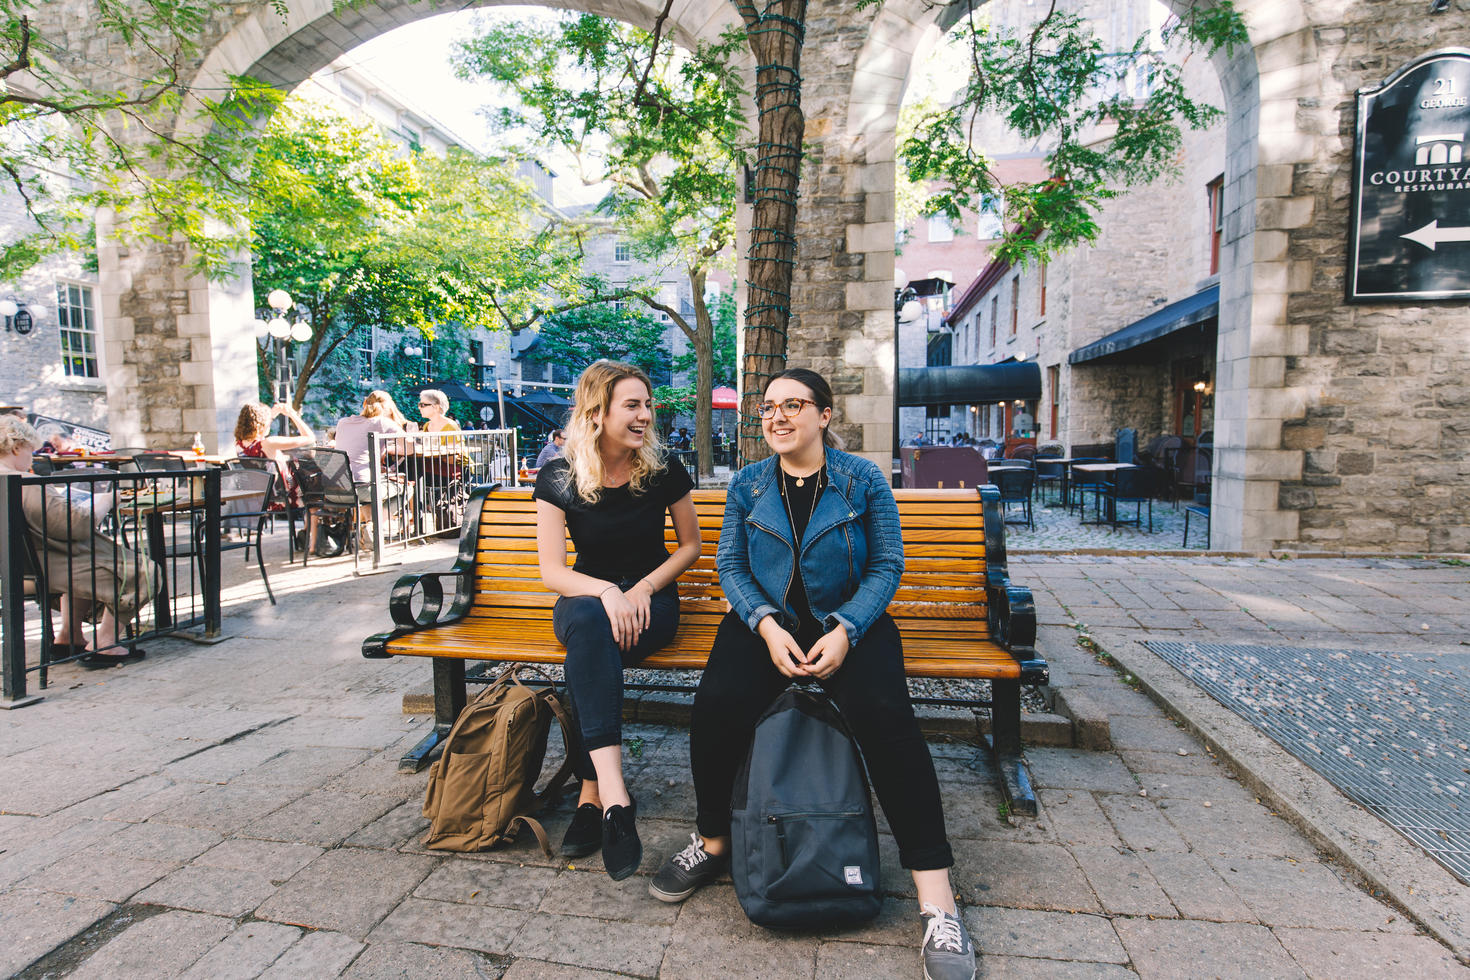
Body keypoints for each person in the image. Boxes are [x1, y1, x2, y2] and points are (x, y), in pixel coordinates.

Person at [649, 368, 976, 980]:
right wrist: (767, 625)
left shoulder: (862, 480)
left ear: (825, 415)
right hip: (766, 627)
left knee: (888, 721)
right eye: (768, 407)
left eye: (793, 405)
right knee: (716, 706)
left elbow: (886, 567)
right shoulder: (748, 484)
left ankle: (937, 900)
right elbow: (731, 566)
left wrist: (847, 628)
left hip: (849, 625)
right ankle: (714, 842)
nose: (777, 417)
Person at [533, 361, 700, 880]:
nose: (645, 415)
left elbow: (691, 546)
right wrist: (607, 590)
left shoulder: (662, 469)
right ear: (597, 411)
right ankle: (614, 798)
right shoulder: (559, 476)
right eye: (633, 405)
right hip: (587, 596)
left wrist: (644, 586)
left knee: (588, 649)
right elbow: (553, 572)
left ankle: (593, 796)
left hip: (651, 604)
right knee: (589, 622)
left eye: (647, 405)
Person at [0, 415, 156, 668]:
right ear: (17, 447)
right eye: (31, 450)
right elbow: (75, 525)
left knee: (83, 559)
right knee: (144, 571)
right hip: (43, 569)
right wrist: (106, 501)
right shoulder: (25, 483)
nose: (33, 457)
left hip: (13, 571)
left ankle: (69, 637)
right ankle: (106, 642)